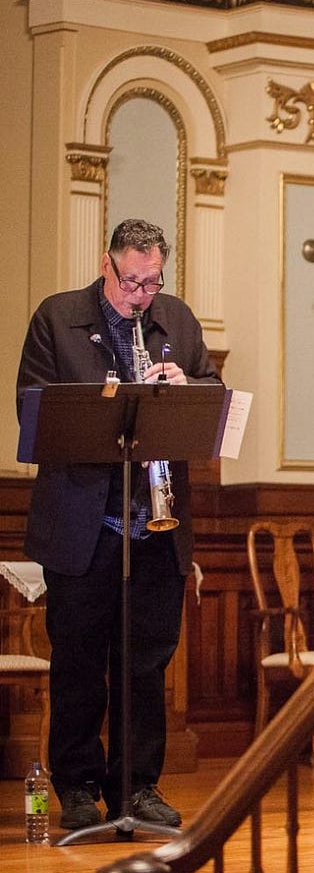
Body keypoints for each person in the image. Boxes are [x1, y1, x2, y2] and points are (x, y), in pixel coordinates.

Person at [16, 219, 220, 832]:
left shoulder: (176, 320)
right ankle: (77, 787)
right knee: (78, 662)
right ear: (107, 266)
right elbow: (34, 409)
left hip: (155, 527)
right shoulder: (58, 318)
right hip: (83, 524)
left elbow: (214, 395)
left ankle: (136, 786)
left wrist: (187, 385)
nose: (141, 296)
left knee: (146, 665)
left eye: (152, 283)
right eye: (131, 282)